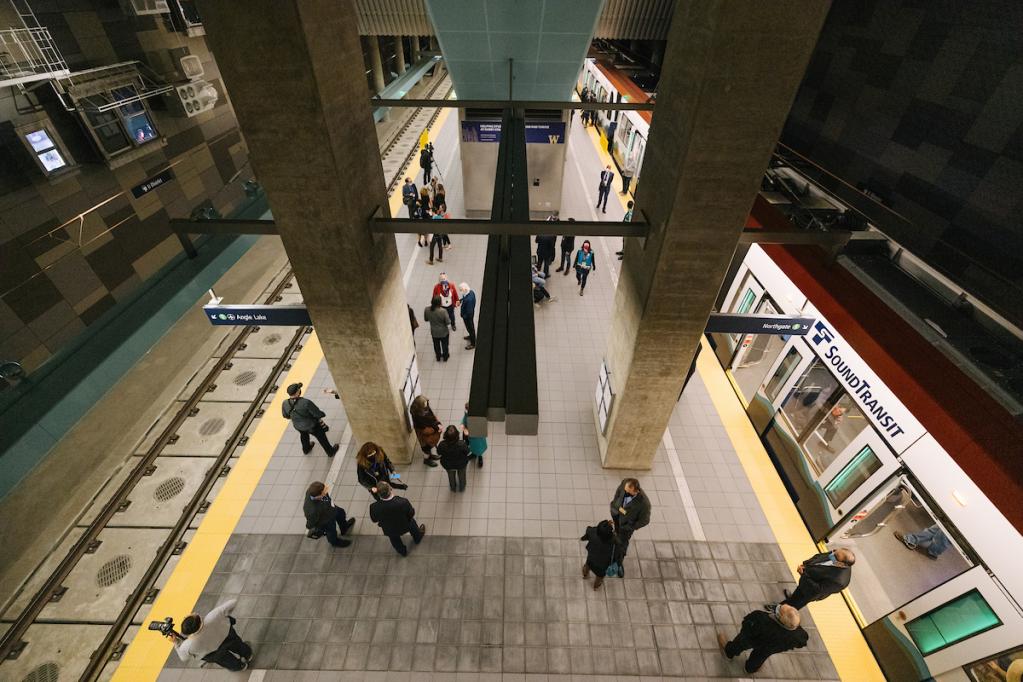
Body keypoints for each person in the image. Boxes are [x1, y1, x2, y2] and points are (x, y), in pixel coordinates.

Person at [717, 605, 808, 674]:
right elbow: (801, 643)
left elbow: (746, 625)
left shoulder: (760, 618)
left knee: (740, 643)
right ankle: (750, 669)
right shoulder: (799, 635)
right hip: (771, 647)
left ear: (779, 618)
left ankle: (729, 652)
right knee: (760, 656)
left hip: (752, 640)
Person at [172, 600, 252, 671]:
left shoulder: (188, 645)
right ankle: (247, 654)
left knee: (226, 661)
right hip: (228, 636)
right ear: (199, 621)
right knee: (238, 645)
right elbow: (233, 602)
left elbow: (183, 658)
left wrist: (176, 643)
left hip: (213, 653)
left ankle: (240, 666)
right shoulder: (213, 616)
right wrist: (226, 615)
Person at [768, 548, 855, 611]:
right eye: (834, 551)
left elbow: (816, 590)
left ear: (841, 564)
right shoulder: (836, 554)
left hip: (809, 592)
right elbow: (819, 556)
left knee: (796, 602)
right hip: (807, 580)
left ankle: (780, 610)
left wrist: (803, 574)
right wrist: (806, 564)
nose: (831, 554)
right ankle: (792, 598)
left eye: (835, 556)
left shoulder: (839, 581)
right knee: (796, 594)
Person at [369, 481, 426, 556]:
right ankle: (417, 537)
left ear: (378, 494)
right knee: (412, 523)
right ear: (390, 489)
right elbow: (411, 513)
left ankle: (402, 552)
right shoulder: (402, 502)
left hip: (389, 529)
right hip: (405, 525)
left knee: (394, 540)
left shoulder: (374, 507)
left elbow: (374, 520)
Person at [281, 383, 339, 456]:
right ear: (297, 392)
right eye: (299, 389)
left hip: (298, 426)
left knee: (304, 436)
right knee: (322, 438)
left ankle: (306, 449)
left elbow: (285, 415)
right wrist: (322, 414)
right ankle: (330, 452)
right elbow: (317, 414)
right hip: (312, 426)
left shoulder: (285, 403)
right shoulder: (305, 402)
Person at [609, 478, 650, 565]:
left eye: (628, 492)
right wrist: (614, 505)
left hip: (626, 526)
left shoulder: (644, 504)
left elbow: (645, 520)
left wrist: (630, 526)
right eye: (625, 490)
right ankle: (616, 535)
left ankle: (618, 562)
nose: (626, 492)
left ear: (636, 491)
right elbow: (618, 494)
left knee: (622, 544)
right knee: (616, 533)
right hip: (617, 516)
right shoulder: (625, 482)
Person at [303, 481, 354, 547]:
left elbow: (325, 498)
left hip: (332, 509)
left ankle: (344, 527)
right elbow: (310, 522)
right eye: (325, 490)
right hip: (326, 521)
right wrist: (312, 528)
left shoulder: (313, 491)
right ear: (319, 495)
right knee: (331, 531)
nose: (327, 489)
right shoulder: (312, 510)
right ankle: (335, 542)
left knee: (341, 513)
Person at [580, 520, 618, 590]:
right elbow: (616, 556)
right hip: (602, 566)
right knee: (599, 577)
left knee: (587, 566)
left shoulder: (593, 533)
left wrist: (583, 538)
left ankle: (585, 575)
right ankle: (596, 586)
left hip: (591, 558)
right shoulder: (614, 543)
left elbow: (589, 531)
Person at [410, 394, 442, 466]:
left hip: (430, 428)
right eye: (424, 404)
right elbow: (423, 426)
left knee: (429, 446)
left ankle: (430, 456)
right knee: (426, 448)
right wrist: (436, 427)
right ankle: (427, 460)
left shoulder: (425, 407)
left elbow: (432, 416)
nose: (426, 405)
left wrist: (437, 423)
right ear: (419, 405)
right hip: (423, 433)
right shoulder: (417, 415)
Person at [438, 425, 470, 492]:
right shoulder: (462, 444)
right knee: (462, 476)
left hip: (448, 465)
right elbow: (467, 452)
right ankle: (462, 487)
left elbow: (439, 453)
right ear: (457, 435)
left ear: (446, 435)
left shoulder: (442, 444)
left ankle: (453, 488)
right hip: (461, 464)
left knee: (451, 476)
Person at [423, 296, 450, 362]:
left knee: (436, 345)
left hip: (434, 332)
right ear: (439, 303)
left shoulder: (426, 309)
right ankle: (445, 357)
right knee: (445, 345)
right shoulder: (443, 311)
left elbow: (426, 319)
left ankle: (438, 357)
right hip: (444, 332)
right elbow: (448, 322)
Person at [460, 402, 487, 467]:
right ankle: (474, 454)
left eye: (467, 410)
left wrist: (469, 432)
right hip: (469, 436)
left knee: (479, 448)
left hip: (477, 438)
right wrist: (462, 424)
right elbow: (464, 418)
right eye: (466, 409)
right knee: (472, 446)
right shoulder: (467, 413)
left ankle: (480, 457)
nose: (466, 411)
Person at [459, 282, 477, 350]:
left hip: (468, 317)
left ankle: (473, 344)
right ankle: (471, 336)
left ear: (465, 289)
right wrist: (460, 300)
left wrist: (463, 316)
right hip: (469, 314)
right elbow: (465, 298)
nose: (460, 291)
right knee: (470, 328)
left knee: (470, 328)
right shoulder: (470, 292)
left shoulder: (468, 300)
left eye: (461, 290)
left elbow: (469, 312)